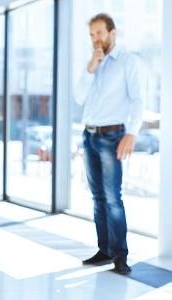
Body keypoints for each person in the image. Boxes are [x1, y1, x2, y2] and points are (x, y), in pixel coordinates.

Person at [74, 13, 144, 275]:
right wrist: (91, 67)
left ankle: (120, 256)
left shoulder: (128, 62)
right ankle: (104, 250)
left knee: (113, 198)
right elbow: (79, 97)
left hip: (113, 136)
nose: (95, 39)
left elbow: (137, 100)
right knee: (97, 198)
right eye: (92, 34)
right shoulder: (94, 63)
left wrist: (132, 133)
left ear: (112, 33)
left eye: (100, 33)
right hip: (89, 136)